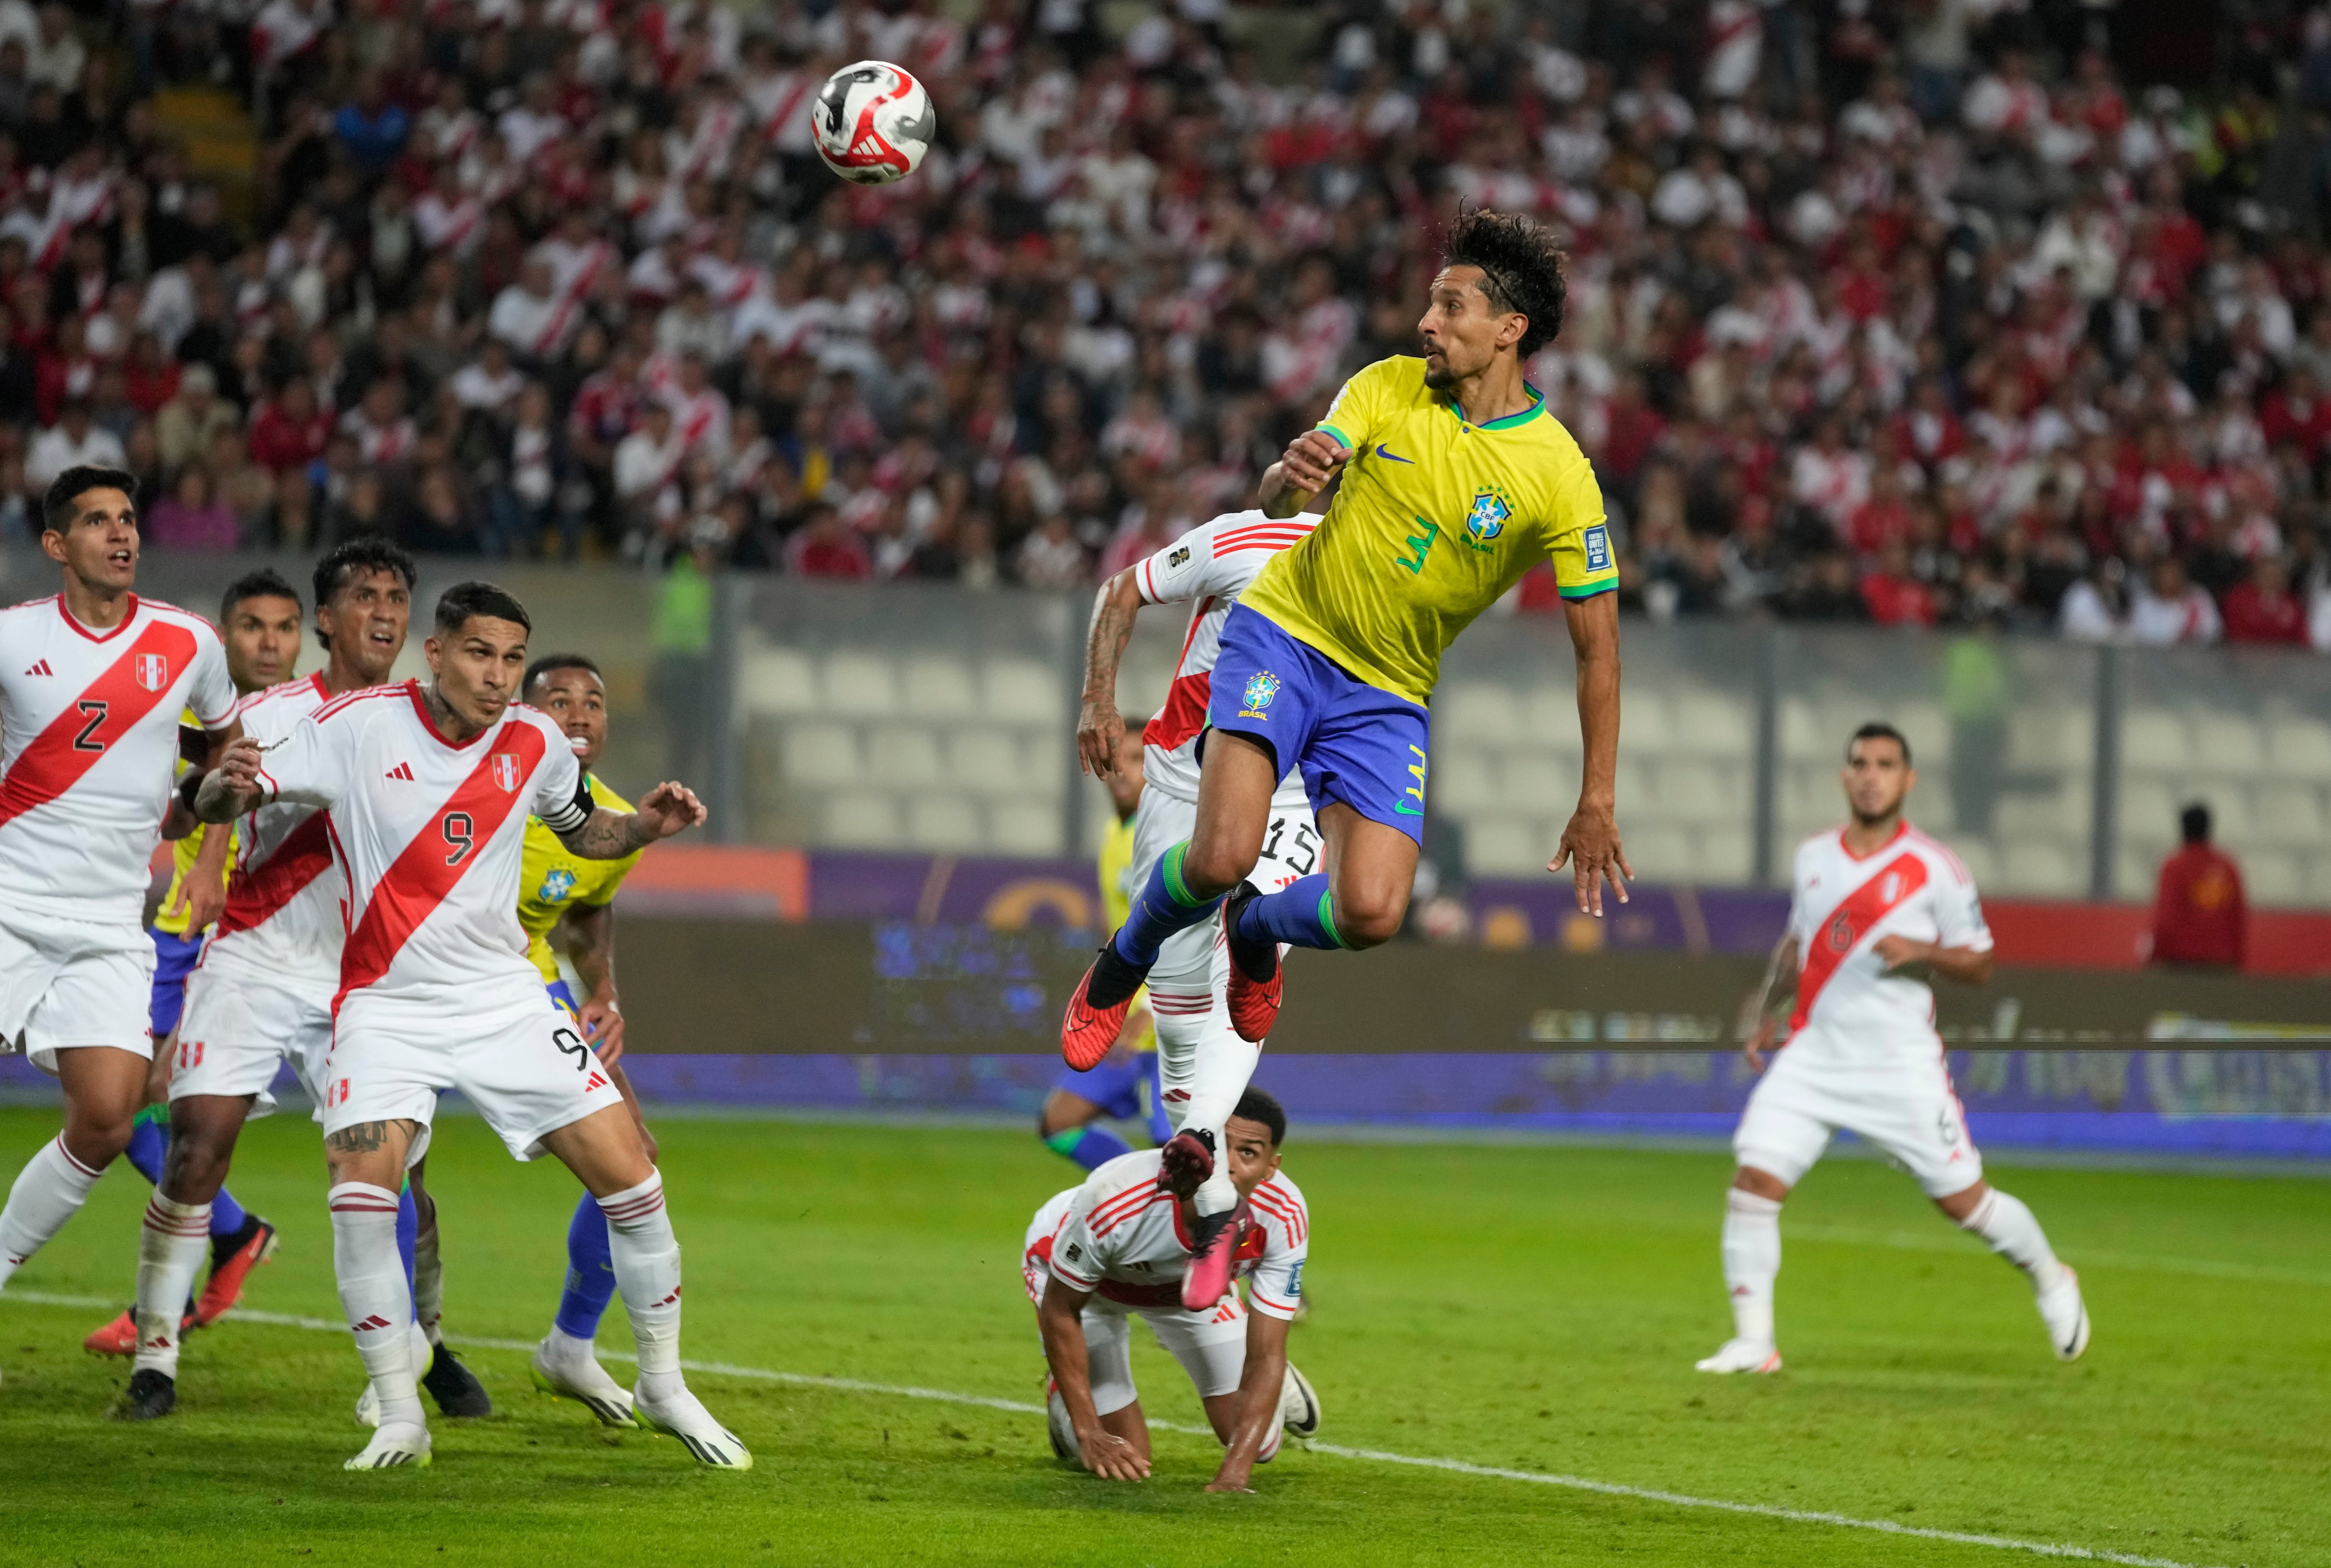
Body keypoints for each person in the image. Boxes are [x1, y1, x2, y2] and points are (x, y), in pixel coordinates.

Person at [1059, 206, 1628, 1302]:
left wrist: (1596, 797)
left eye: (1451, 306)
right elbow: (1280, 500)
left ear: (1510, 328)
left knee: (1371, 911)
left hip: (1388, 697)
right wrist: (1290, 478)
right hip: (1288, 636)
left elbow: (1597, 646)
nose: (1427, 320)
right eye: (1430, 301)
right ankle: (1122, 959)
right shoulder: (1383, 385)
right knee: (1221, 852)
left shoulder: (1560, 474)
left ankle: (1261, 939)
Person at [193, 581, 745, 1470]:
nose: (498, 677)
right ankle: (398, 1411)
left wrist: (644, 823)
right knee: (364, 1197)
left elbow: (581, 830)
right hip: (384, 1004)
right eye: (481, 654)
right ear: (436, 652)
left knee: (634, 1180)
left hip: (503, 998)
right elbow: (229, 795)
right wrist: (223, 784)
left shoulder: (533, 739)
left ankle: (663, 1380)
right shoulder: (357, 725)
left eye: (512, 659)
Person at [105, 540, 426, 1420]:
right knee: (196, 1148)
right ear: (327, 618)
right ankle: (157, 1357)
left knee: (386, 1171)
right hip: (253, 957)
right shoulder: (271, 713)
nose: (385, 611)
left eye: (397, 595)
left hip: (362, 983)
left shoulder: (430, 722)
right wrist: (218, 801)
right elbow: (198, 803)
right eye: (365, 595)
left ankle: (404, 1358)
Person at [1699, 723, 2088, 1375]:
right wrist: (1767, 1009)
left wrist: (1925, 950)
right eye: (1860, 763)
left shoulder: (1933, 868)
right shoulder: (1814, 857)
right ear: (1844, 776)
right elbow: (1798, 942)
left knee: (1967, 1202)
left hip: (1898, 1064)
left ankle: (2052, 1276)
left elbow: (1981, 963)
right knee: (1755, 1181)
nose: (1871, 774)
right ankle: (1754, 1341)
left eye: (1885, 764)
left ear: (1908, 780)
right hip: (1816, 1051)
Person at [0, 467, 242, 1328]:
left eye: (129, 518)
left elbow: (223, 749)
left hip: (109, 921)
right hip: (8, 903)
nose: (121, 533)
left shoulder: (190, 643)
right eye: (98, 520)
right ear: (58, 545)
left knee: (107, 1118)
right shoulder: (11, 637)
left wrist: (202, 817)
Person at [1071, 508, 1327, 1254]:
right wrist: (1099, 699)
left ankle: (1196, 1138)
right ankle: (1206, 1182)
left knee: (1255, 959)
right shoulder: (1251, 538)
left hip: (1296, 789)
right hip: (1185, 775)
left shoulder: (1400, 570)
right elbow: (1121, 590)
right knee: (1183, 1005)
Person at [80, 567, 303, 1363]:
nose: (269, 643)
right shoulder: (182, 710)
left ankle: (175, 1300)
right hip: (168, 938)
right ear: (223, 635)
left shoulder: (301, 716)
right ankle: (231, 1237)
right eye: (252, 627)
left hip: (234, 935)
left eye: (283, 628)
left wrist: (209, 865)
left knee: (131, 1106)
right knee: (122, 1106)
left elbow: (231, 794)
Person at [1023, 1087, 1318, 1494]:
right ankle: (1064, 1401)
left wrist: (1233, 1476)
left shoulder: (1284, 1213)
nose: (1229, 1165)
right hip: (1093, 1290)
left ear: (1271, 1166)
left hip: (1189, 1292)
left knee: (1260, 1446)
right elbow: (1061, 1310)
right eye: (1218, 1145)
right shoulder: (1117, 1196)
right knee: (1125, 1454)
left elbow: (1267, 1351)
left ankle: (1272, 1378)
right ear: (1196, 1143)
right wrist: (1089, 1430)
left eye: (1249, 1153)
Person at [511, 654, 662, 1427]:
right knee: (396, 1163)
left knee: (633, 1153)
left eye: (594, 702)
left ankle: (569, 1347)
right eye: (558, 699)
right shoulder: (481, 776)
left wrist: (602, 992)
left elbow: (587, 909)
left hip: (525, 989)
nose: (579, 714)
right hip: (416, 982)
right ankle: (407, 1354)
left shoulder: (612, 820)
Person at [1037, 716, 1171, 1172]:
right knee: (1059, 1122)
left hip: (1169, 1022)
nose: (1122, 770)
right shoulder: (1117, 833)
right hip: (1123, 1019)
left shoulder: (1162, 836)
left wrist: (1153, 1005)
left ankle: (1217, 1228)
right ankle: (1140, 1197)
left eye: (1137, 759)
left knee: (1179, 1152)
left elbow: (1192, 928)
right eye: (1114, 759)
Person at [2148, 802, 2246, 968]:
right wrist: (2237, 958)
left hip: (2181, 962)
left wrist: (2155, 955)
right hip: (2221, 962)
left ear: (2183, 829)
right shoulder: (2227, 866)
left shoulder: (2175, 866)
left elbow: (2167, 918)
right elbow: (2238, 917)